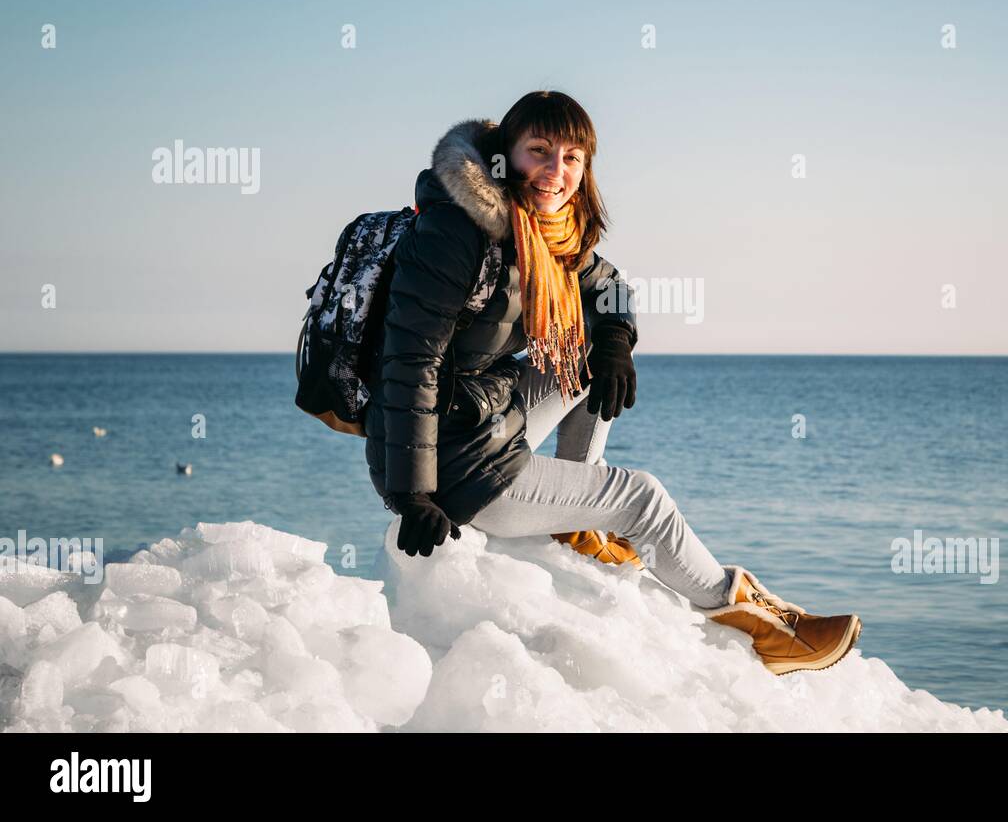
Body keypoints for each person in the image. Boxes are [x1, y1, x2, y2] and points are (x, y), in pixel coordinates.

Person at [363, 90, 861, 675]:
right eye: (540, 151)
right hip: (454, 467)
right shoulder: (455, 233)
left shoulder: (549, 231)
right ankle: (766, 629)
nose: (557, 172)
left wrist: (616, 343)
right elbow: (409, 364)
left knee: (583, 353)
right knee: (642, 498)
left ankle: (577, 520)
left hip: (485, 415)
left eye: (573, 158)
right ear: (504, 154)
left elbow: (610, 286)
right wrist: (413, 494)